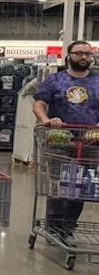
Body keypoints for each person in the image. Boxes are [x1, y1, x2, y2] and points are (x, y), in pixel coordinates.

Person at [34, 40, 99, 237]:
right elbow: (39, 104)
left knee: (80, 188)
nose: (84, 57)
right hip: (59, 139)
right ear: (69, 56)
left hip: (91, 141)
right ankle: (54, 226)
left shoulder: (98, 81)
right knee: (58, 184)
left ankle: (69, 226)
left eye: (88, 54)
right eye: (79, 53)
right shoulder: (55, 80)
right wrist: (46, 120)